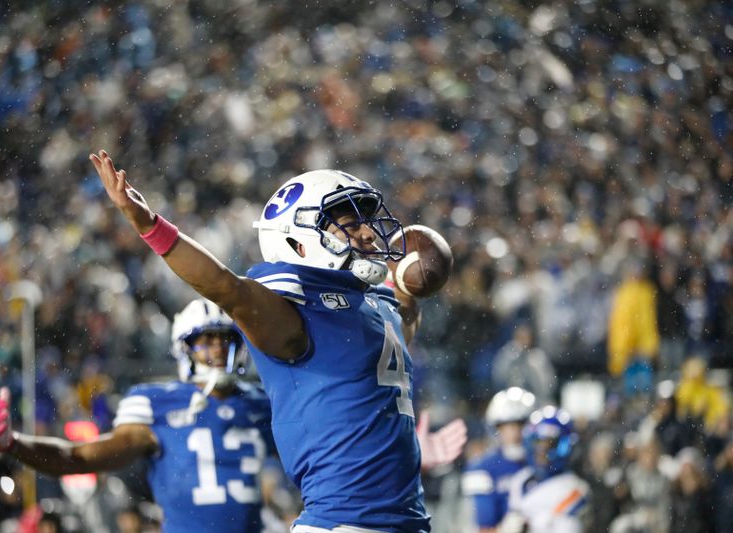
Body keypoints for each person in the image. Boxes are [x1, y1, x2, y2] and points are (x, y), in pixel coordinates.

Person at [87, 150, 460, 532]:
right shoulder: (296, 313)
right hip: (344, 524)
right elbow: (225, 287)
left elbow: (381, 369)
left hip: (405, 522)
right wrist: (148, 224)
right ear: (300, 243)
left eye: (367, 221)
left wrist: (409, 454)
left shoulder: (374, 306)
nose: (368, 232)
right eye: (350, 223)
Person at [0, 297, 274, 533]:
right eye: (207, 340)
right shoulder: (157, 403)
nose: (219, 349)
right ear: (184, 348)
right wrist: (14, 443)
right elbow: (79, 457)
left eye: (225, 339)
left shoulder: (262, 401)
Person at [500, 406, 590, 533]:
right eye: (538, 442)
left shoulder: (575, 489)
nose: (542, 451)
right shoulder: (521, 480)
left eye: (550, 443)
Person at [462, 387, 536, 532]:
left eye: (521, 424)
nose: (516, 433)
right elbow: (482, 528)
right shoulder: (481, 468)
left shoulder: (541, 464)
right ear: (496, 428)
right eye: (508, 426)